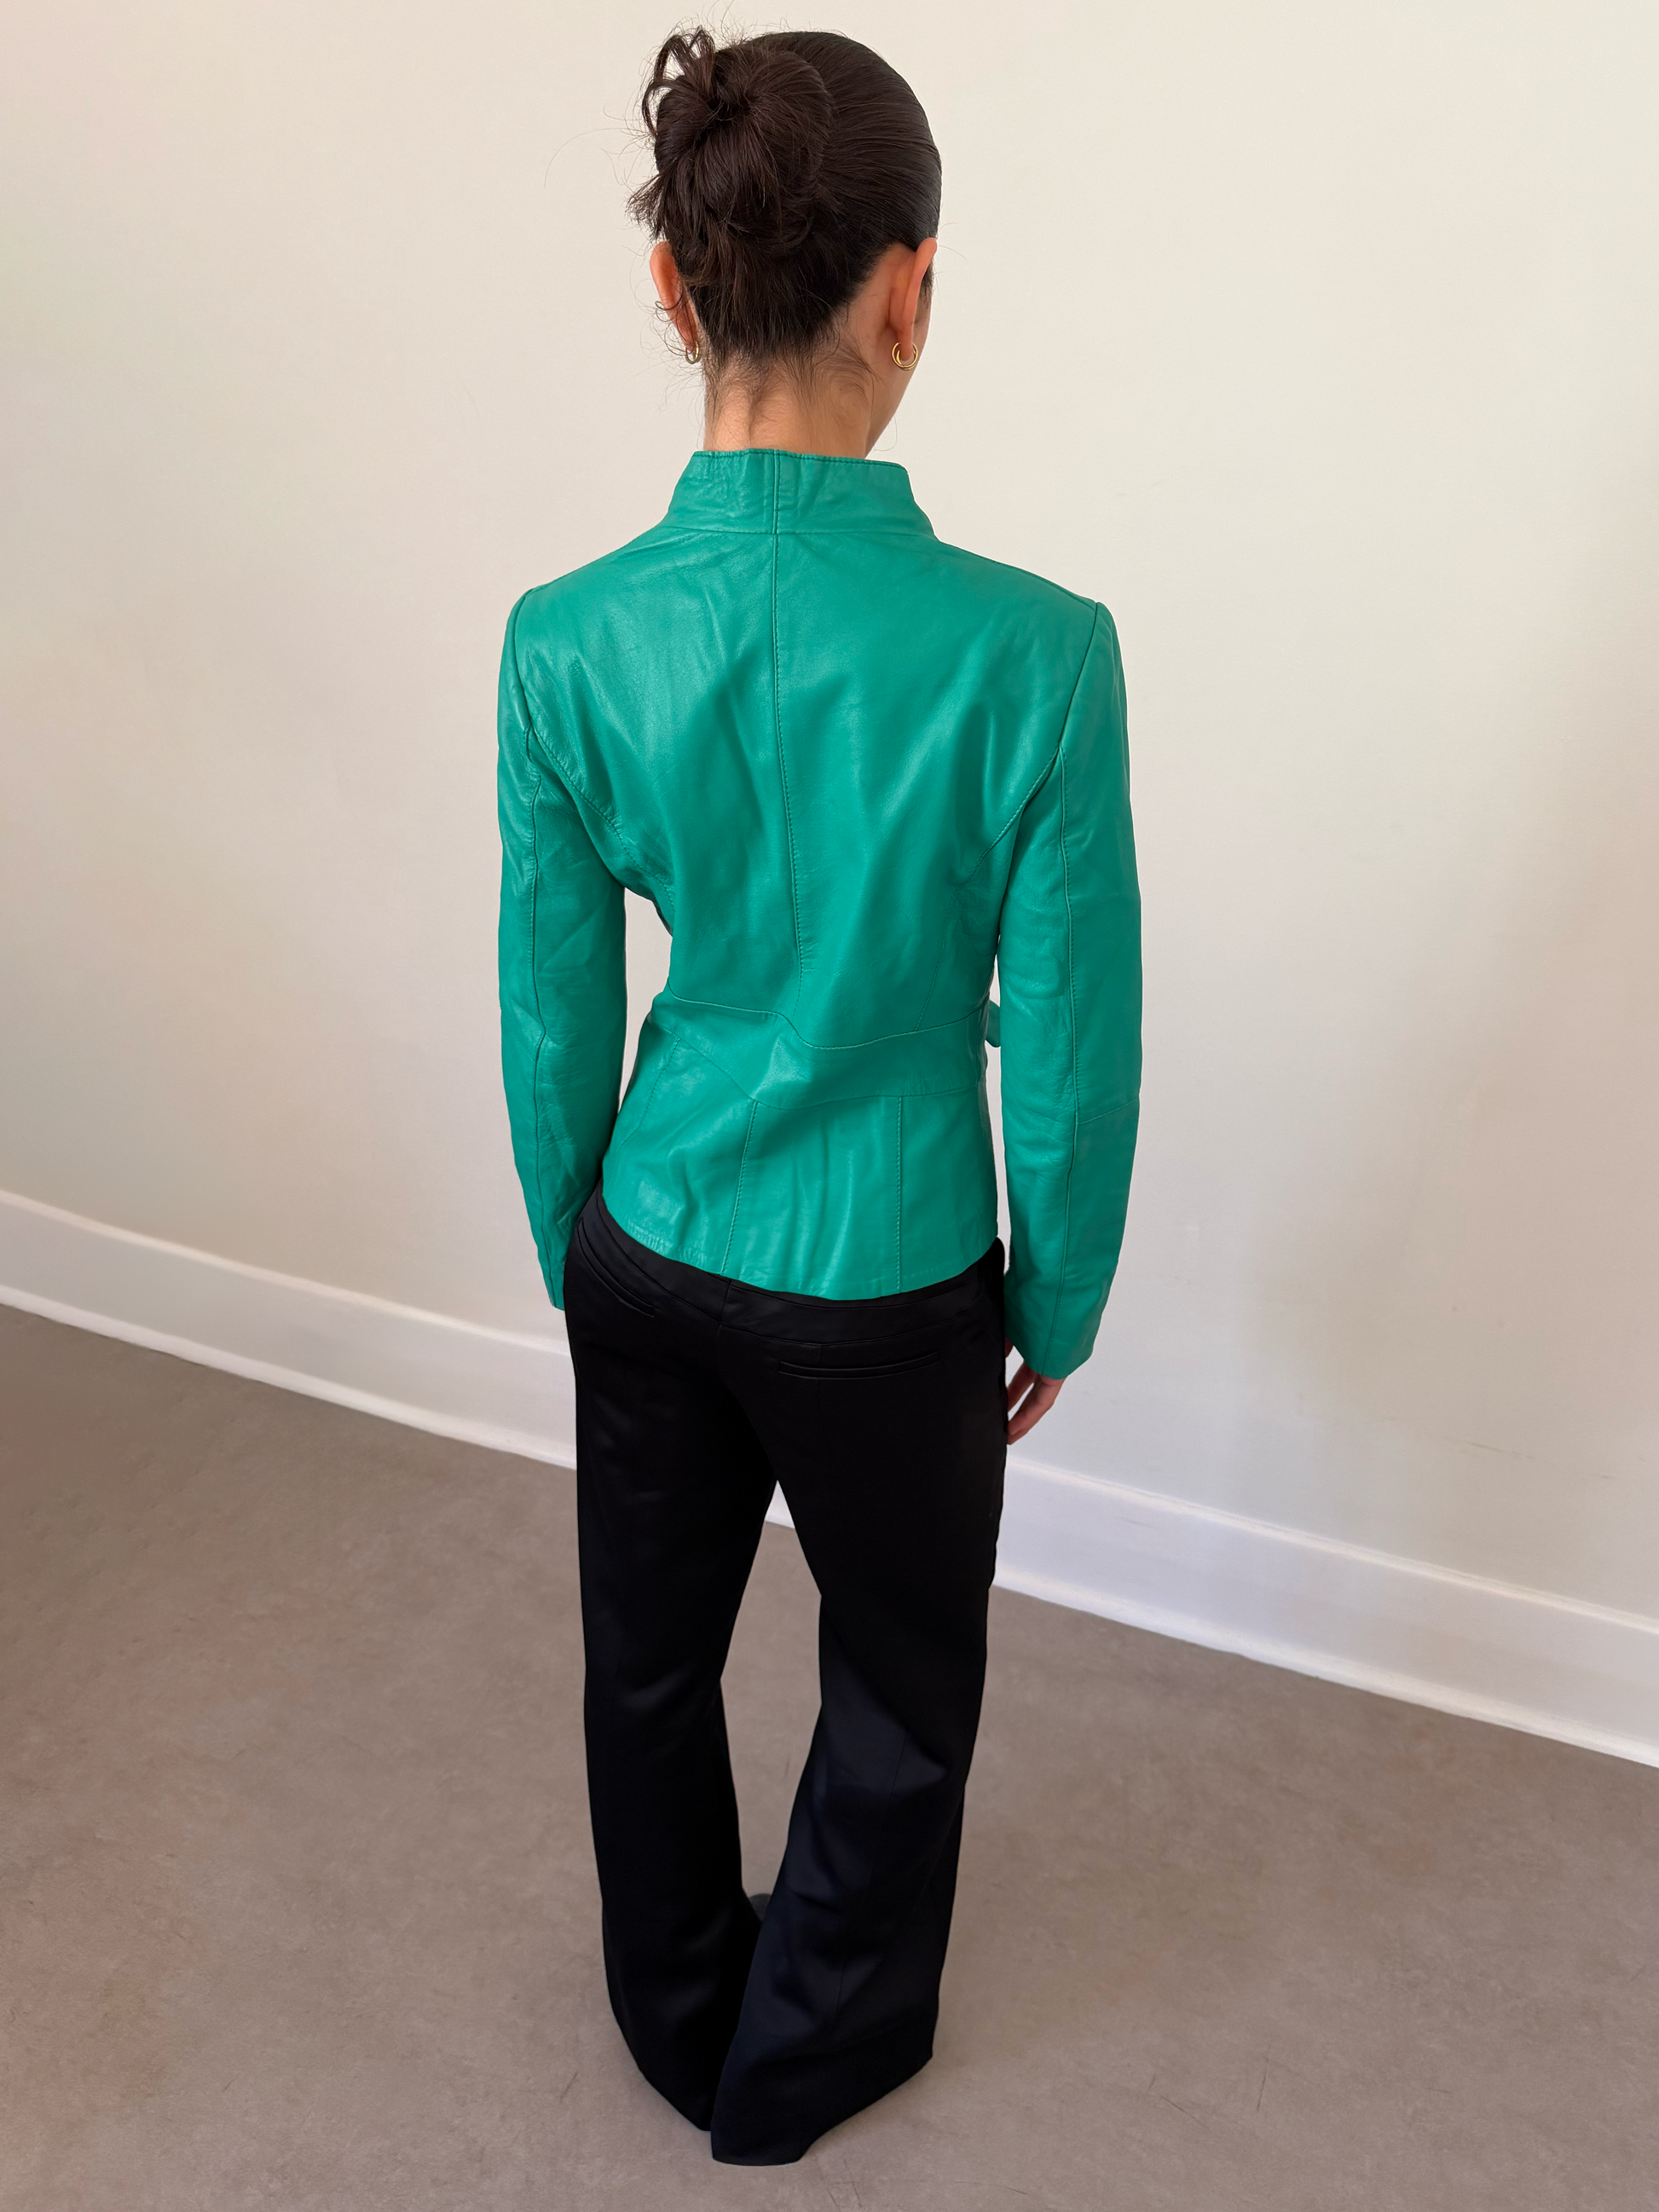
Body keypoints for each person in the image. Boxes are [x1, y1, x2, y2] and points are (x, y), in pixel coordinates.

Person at [495, 26, 1141, 2167]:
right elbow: (1072, 1033)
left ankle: (678, 2012)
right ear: (910, 289)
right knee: (900, 1682)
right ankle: (803, 2061)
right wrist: (1060, 1289)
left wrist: (574, 1239)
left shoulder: (565, 639)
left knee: (643, 1659)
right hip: (892, 1274)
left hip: (654, 1237)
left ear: (671, 291)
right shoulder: (1035, 653)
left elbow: (550, 1004)